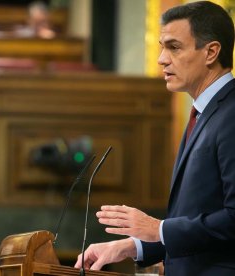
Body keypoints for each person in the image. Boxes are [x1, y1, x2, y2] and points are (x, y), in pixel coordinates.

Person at [74, 1, 235, 275]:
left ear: (211, 52)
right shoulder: (203, 113)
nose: (161, 59)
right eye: (162, 47)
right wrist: (131, 246)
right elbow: (196, 228)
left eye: (174, 47)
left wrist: (157, 228)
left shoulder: (231, 113)